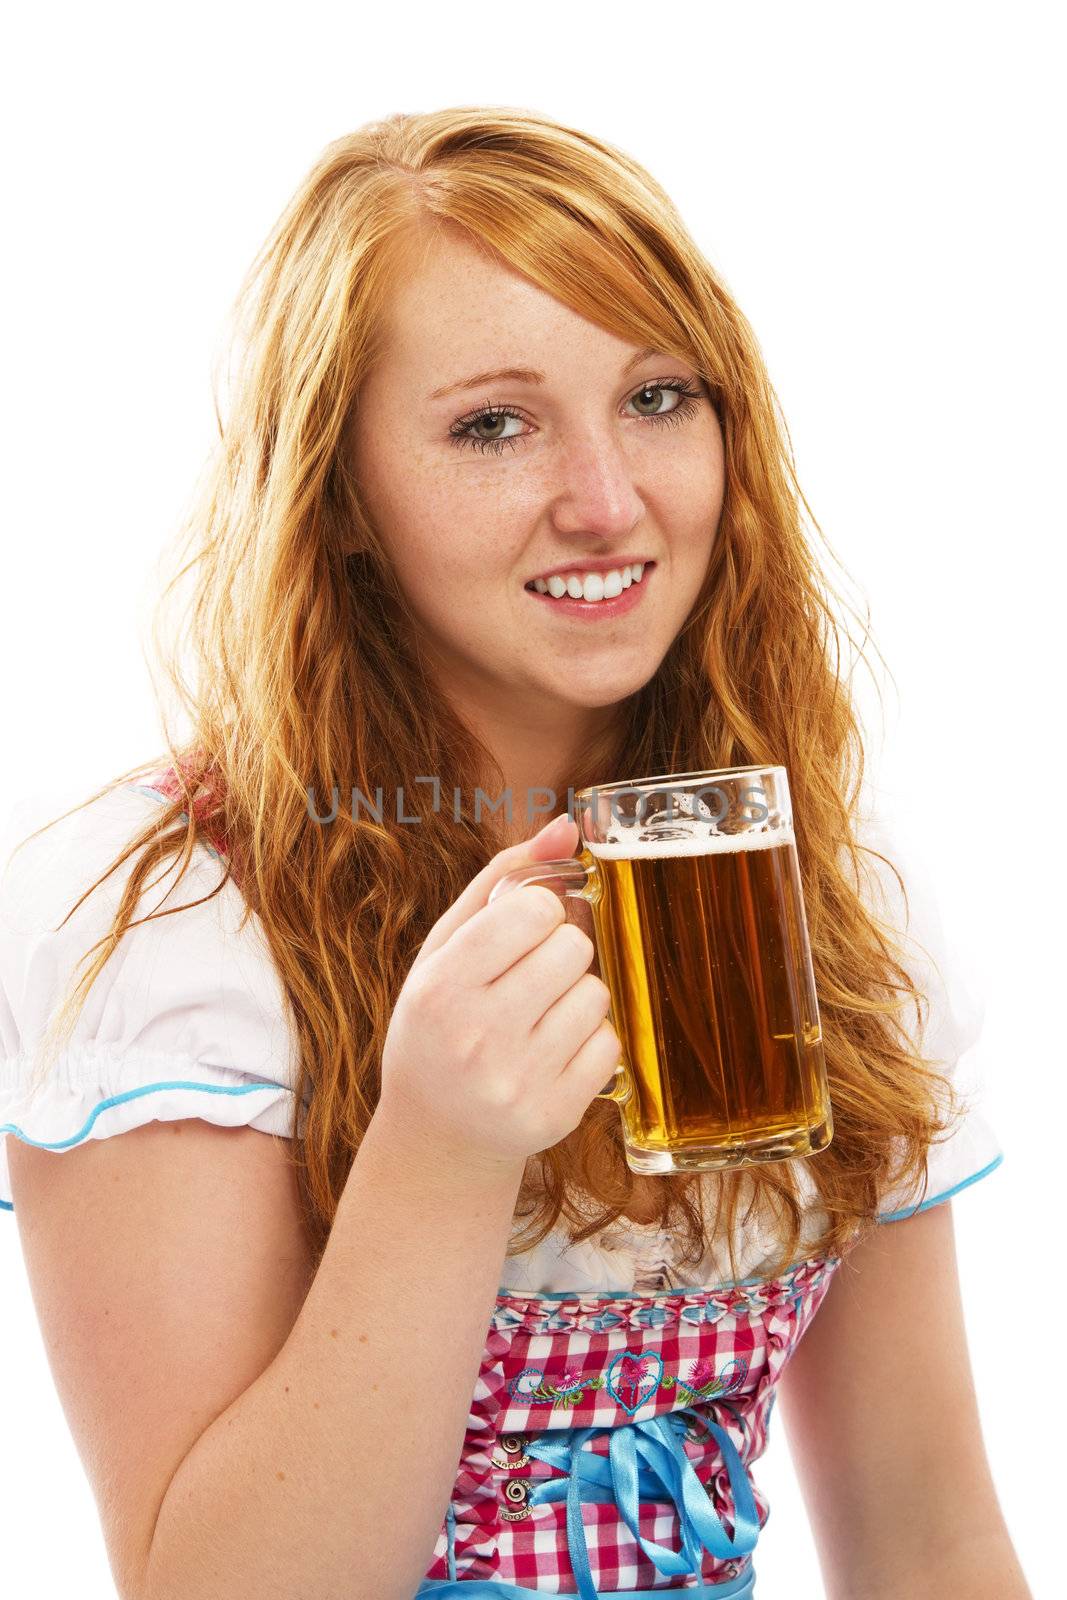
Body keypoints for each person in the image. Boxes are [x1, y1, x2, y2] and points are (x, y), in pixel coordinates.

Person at [0, 107, 1028, 1600]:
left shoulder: (819, 893)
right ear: (341, 494)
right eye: (495, 424)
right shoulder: (178, 926)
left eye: (660, 397)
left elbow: (927, 1540)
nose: (609, 501)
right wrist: (439, 1150)